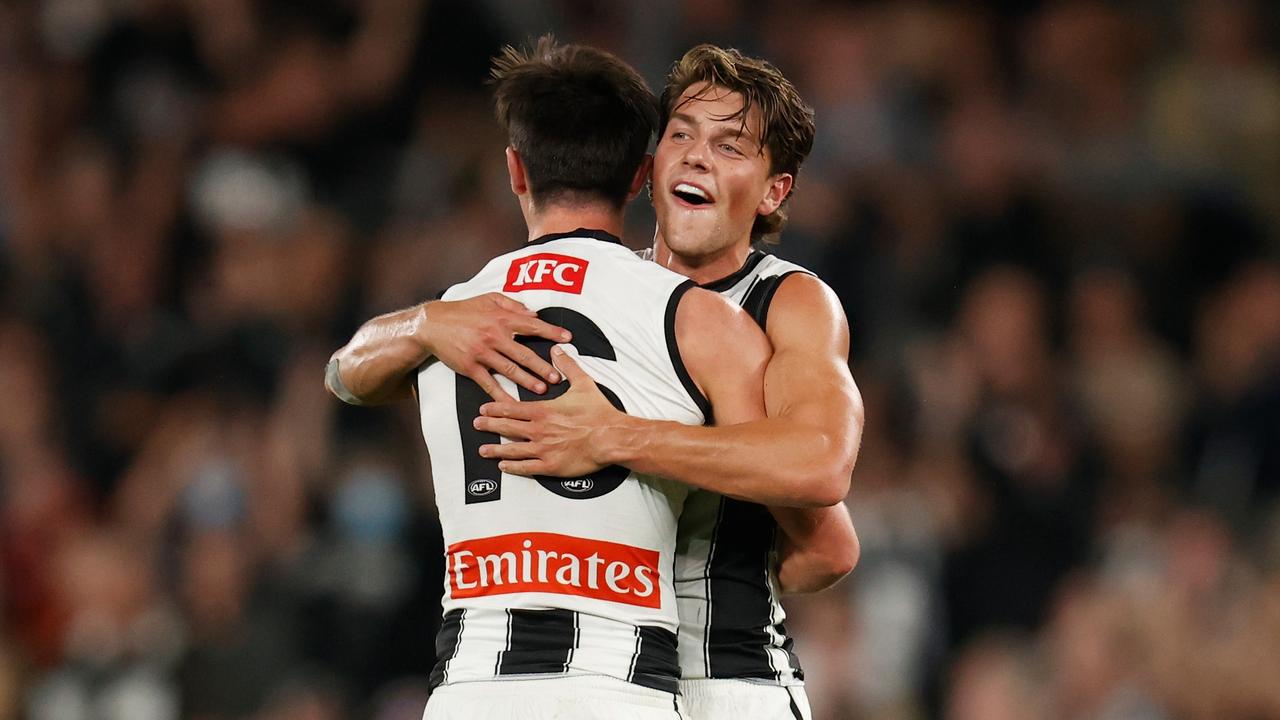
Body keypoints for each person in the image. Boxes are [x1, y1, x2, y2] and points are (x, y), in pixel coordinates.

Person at [327, 38, 773, 719]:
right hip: (621, 687)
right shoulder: (700, 321)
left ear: (514, 170)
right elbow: (777, 506)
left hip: (470, 689)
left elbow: (343, 374)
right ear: (640, 177)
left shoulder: (451, 314)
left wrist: (417, 324)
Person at [472, 46, 862, 720]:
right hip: (591, 682)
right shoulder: (594, 289)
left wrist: (618, 438)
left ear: (775, 192)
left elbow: (822, 469)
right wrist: (422, 325)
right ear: (648, 169)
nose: (697, 155)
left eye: (730, 145)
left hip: (730, 684)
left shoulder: (789, 303)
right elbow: (821, 552)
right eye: (681, 133)